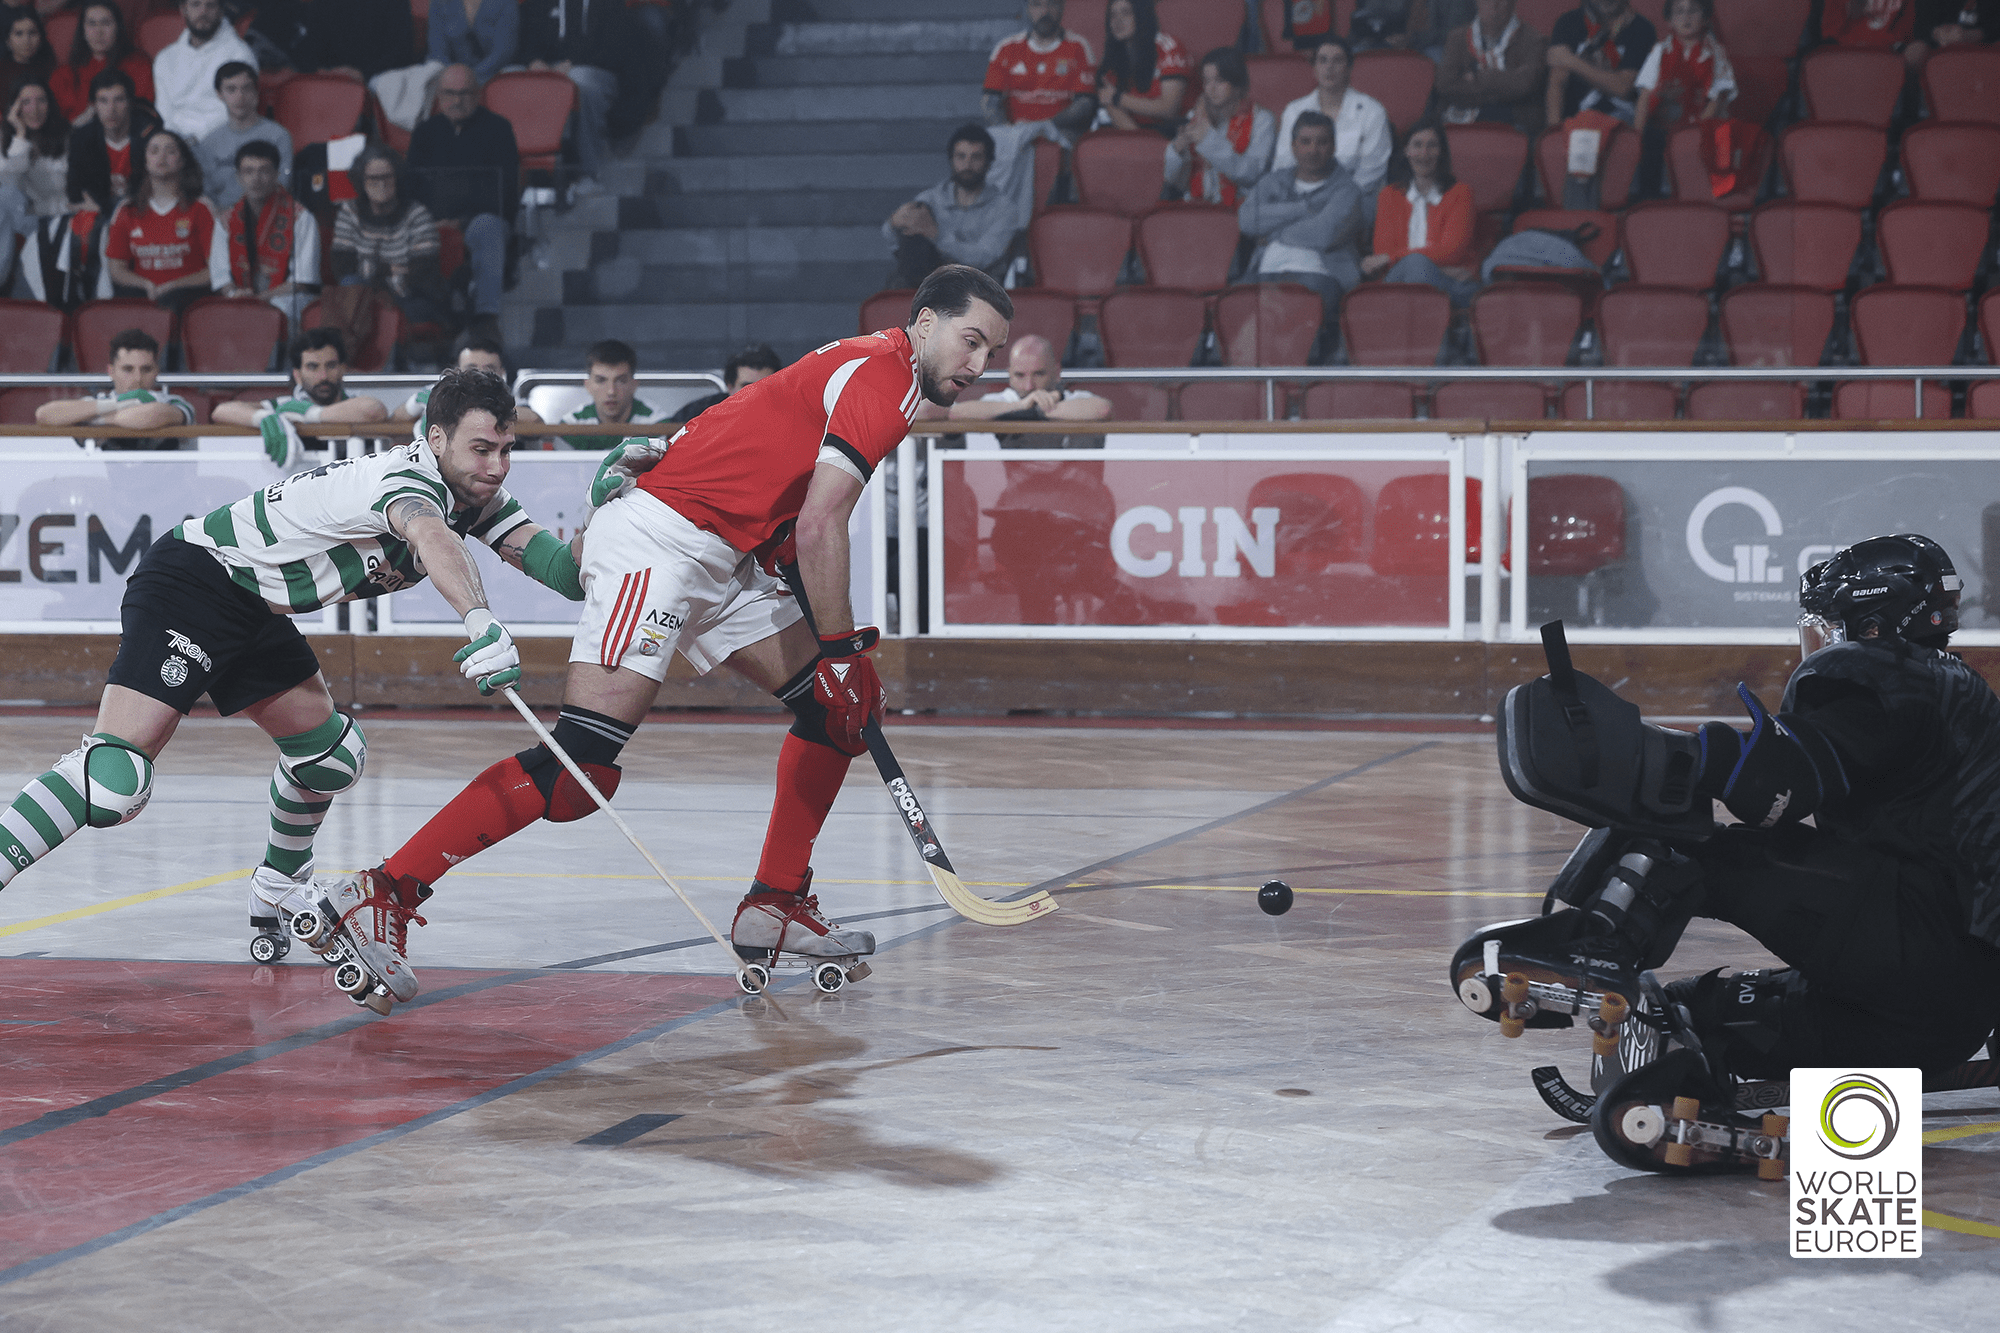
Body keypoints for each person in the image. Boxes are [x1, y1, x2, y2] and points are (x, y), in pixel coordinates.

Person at [334, 265, 1013, 1004]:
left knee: (834, 712)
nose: (979, 364)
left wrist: (838, 657)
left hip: (722, 549)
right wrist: (844, 651)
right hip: (660, 544)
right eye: (972, 340)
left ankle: (775, 904)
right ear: (925, 323)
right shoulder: (886, 378)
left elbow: (784, 491)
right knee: (580, 765)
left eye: (992, 351)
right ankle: (384, 890)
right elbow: (823, 523)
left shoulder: (880, 366)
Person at [0, 368, 586, 1011]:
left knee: (331, 757)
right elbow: (428, 533)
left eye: (507, 449)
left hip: (253, 607)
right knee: (114, 782)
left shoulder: (477, 494)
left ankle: (279, 884)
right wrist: (479, 618)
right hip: (196, 582)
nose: (497, 467)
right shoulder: (407, 482)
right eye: (481, 449)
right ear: (437, 438)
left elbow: (564, 571)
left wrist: (616, 509)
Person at [1453, 533, 2000, 1173]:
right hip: (1944, 1014)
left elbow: (1780, 789)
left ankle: (1592, 949)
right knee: (1692, 1012)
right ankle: (1675, 1091)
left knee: (1683, 844)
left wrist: (1668, 759)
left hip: (1916, 946)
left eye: (1828, 624)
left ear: (1873, 622)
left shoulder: (1884, 674)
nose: (1819, 640)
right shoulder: (1958, 691)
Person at [405, 63, 517, 339]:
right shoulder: (424, 133)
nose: (457, 100)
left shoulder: (498, 129)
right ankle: (422, 321)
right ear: (438, 96)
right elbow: (411, 188)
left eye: (464, 93)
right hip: (429, 222)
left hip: (479, 219)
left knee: (487, 228)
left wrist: (460, 221)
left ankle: (486, 318)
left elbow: (504, 191)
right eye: (450, 93)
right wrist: (429, 221)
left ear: (477, 95)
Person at [1236, 111, 1364, 315]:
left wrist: (1273, 233)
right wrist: (1303, 208)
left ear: (1333, 147)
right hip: (1265, 272)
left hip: (1320, 276)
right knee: (1232, 301)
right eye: (1305, 142)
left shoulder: (1348, 190)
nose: (1313, 150)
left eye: (1322, 142)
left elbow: (1323, 234)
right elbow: (1246, 220)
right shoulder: (1274, 181)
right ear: (1293, 146)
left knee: (1291, 307)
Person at [517, 0, 650, 193]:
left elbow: (613, 49)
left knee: (579, 81)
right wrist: (533, 61)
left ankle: (589, 172)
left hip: (596, 68)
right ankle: (521, 177)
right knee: (509, 76)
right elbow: (526, 40)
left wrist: (571, 64)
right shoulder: (539, 3)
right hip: (550, 69)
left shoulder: (609, 4)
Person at [213, 328, 391, 464]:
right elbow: (221, 411)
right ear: (297, 375)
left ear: (343, 369)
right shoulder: (286, 406)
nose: (323, 376)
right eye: (313, 367)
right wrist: (264, 417)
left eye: (330, 366)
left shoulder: (353, 404)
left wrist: (310, 414)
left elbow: (373, 410)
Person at [882, 124, 1016, 290]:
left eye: (976, 157)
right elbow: (896, 245)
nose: (967, 164)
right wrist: (893, 223)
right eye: (961, 157)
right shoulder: (930, 199)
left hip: (978, 289)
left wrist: (937, 236)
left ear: (989, 163)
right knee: (912, 244)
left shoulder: (1004, 209)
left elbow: (984, 258)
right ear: (951, 160)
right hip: (929, 283)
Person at [1361, 118, 1479, 307]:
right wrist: (1437, 267)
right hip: (1402, 279)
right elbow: (1382, 251)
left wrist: (1395, 258)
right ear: (1406, 151)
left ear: (1441, 152)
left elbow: (1452, 251)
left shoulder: (1461, 193)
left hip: (1449, 285)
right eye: (1417, 145)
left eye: (1432, 146)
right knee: (1415, 266)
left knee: (1416, 266)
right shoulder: (1389, 195)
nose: (1424, 153)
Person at [329, 142, 446, 328]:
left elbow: (422, 272)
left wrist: (373, 273)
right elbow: (342, 265)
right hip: (364, 295)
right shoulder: (350, 211)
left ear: (397, 178)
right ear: (361, 180)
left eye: (387, 177)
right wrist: (389, 274)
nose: (381, 184)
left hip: (410, 298)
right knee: (350, 286)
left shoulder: (417, 214)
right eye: (373, 178)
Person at [205, 141, 317, 327]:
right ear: (239, 177)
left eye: (264, 171)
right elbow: (221, 277)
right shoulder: (226, 221)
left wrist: (259, 299)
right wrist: (234, 294)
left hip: (286, 298)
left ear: (276, 174)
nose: (256, 179)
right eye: (248, 172)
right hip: (241, 296)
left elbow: (302, 281)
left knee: (279, 308)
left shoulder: (300, 217)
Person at [104, 129, 214, 313]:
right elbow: (116, 268)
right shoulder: (126, 209)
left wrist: (173, 286)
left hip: (188, 298)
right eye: (154, 151)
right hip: (143, 295)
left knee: (172, 302)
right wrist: (145, 284)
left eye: (170, 151)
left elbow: (214, 270)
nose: (161, 157)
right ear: (145, 161)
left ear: (182, 161)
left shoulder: (201, 207)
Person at [33, 326, 194, 451]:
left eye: (146, 369)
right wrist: (117, 404)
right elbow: (44, 415)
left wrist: (95, 421)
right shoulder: (100, 402)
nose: (138, 378)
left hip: (172, 485)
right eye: (128, 369)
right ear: (111, 371)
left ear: (156, 372)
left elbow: (153, 415)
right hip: (112, 485)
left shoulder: (173, 402)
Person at [1271, 36, 1393, 200]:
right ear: (1314, 68)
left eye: (1337, 60)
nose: (1329, 67)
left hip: (1355, 199)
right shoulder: (1294, 111)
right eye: (1323, 60)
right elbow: (1283, 165)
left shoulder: (1372, 111)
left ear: (1349, 68)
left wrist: (1331, 199)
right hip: (1301, 198)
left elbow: (1372, 171)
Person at [1165, 48, 1275, 207]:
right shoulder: (1197, 117)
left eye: (1219, 80)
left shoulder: (1262, 120)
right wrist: (1177, 151)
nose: (1211, 88)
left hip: (1243, 208)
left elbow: (1251, 174)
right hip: (1197, 206)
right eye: (1206, 81)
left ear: (1237, 83)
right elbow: (1175, 182)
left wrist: (1208, 138)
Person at [392, 331, 544, 435]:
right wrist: (426, 404)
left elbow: (535, 421)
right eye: (471, 368)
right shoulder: (434, 394)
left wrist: (489, 407)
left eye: (489, 369)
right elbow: (396, 419)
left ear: (502, 373)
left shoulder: (509, 398)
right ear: (456, 370)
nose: (480, 374)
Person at [984, 0, 1098, 139]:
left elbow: (1085, 105)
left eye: (1052, 4)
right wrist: (1009, 133)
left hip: (1061, 135)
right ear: (1027, 9)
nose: (1045, 12)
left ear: (1062, 7)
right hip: (1015, 135)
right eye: (1037, 4)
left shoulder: (1079, 47)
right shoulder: (1006, 48)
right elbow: (990, 102)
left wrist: (1044, 127)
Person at [1436, 0, 1551, 135]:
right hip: (1464, 115)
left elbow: (1525, 85)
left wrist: (1480, 77)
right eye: (1488, 1)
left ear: (1512, 4)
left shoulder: (1533, 39)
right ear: (1477, 3)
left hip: (1515, 120)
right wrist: (1504, 84)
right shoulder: (1457, 37)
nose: (1494, 6)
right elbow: (1445, 84)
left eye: (1501, 1)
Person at [152, 0, 257, 141]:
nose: (203, 12)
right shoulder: (165, 58)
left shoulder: (239, 55)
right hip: (174, 143)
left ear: (221, 11)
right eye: (196, 4)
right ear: (183, 10)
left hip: (222, 140)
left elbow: (236, 111)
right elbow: (164, 112)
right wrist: (174, 142)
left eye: (211, 5)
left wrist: (195, 140)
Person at [196, 61, 293, 212]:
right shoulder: (209, 143)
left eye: (246, 88)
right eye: (231, 89)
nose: (240, 96)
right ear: (219, 94)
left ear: (256, 92)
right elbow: (205, 193)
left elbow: (283, 184)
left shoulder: (278, 136)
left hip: (267, 213)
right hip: (221, 216)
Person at [1544, 0, 1656, 129]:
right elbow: (1557, 84)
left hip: (1621, 124)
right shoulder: (1568, 22)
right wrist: (1555, 131)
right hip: (1575, 121)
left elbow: (1622, 88)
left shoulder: (1642, 28)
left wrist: (1571, 60)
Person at [1632, 0, 1734, 137]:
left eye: (1693, 11)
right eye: (1679, 11)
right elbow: (1644, 98)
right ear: (1670, 21)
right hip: (1663, 129)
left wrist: (1694, 135)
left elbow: (1716, 102)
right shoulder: (1659, 51)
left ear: (1705, 18)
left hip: (1702, 129)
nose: (1686, 17)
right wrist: (1638, 135)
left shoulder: (1716, 53)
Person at [65, 66, 155, 214]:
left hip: (142, 213)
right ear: (94, 106)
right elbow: (76, 192)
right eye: (103, 101)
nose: (111, 109)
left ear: (130, 103)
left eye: (119, 100)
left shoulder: (150, 136)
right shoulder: (82, 139)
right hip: (97, 216)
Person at [251, 0, 415, 81]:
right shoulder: (325, 4)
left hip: (377, 79)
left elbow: (402, 51)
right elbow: (312, 47)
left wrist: (363, 74)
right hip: (332, 79)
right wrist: (323, 71)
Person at [1095, 0, 1189, 135]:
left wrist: (1117, 97)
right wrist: (1141, 143)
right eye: (1113, 15)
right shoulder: (1111, 61)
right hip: (1137, 135)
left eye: (1126, 13)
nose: (1117, 21)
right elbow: (1114, 109)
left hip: (1177, 132)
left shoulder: (1168, 47)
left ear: (1141, 15)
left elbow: (1169, 109)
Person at [49, 1, 152, 122]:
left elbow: (144, 112)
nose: (98, 32)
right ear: (82, 30)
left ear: (118, 27)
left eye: (106, 23)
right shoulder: (64, 74)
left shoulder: (139, 66)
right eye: (92, 24)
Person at [552, 338, 664, 446]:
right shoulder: (572, 425)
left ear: (634, 385)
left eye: (621, 381)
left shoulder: (657, 424)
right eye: (601, 380)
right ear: (588, 385)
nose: (611, 391)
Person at [1, 76, 67, 219]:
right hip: (26, 222)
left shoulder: (66, 136)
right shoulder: (5, 140)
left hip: (66, 216)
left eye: (41, 101)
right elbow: (9, 186)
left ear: (49, 104)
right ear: (15, 108)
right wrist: (20, 134)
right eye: (26, 102)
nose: (35, 110)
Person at [677, 343, 783, 424]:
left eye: (764, 387)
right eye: (747, 387)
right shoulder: (700, 413)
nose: (756, 395)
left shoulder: (787, 415)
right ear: (730, 387)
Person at [428, 0, 519, 85]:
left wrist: (471, 78)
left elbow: (502, 52)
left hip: (495, 73)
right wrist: (453, 77)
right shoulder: (439, 3)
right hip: (449, 75)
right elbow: (437, 51)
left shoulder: (506, 3)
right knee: (428, 73)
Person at [0, 8, 55, 112]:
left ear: (41, 37)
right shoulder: (1, 71)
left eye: (32, 33)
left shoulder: (51, 68)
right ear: (8, 40)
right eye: (19, 33)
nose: (26, 40)